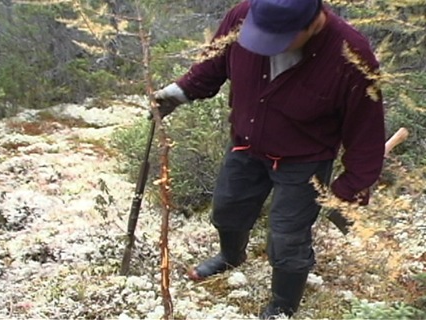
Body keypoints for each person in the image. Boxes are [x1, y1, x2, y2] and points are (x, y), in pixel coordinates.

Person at [154, 0, 385, 318]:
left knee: (287, 240)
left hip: (305, 160)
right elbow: (213, 63)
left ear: (314, 23)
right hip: (246, 145)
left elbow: (366, 133)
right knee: (226, 212)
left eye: (277, 38)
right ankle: (231, 257)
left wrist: (348, 191)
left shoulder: (352, 55)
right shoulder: (243, 15)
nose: (264, 47)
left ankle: (282, 306)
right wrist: (180, 92)